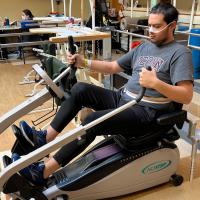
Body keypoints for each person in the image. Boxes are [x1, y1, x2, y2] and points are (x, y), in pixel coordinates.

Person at [12, 3, 194, 186]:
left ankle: (42, 173)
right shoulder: (144, 47)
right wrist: (83, 62)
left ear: (172, 26)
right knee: (80, 89)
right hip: (124, 99)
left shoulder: (180, 53)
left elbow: (186, 95)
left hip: (146, 112)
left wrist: (156, 83)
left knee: (92, 121)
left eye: (157, 26)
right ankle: (45, 138)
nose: (150, 31)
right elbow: (113, 67)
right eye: (149, 25)